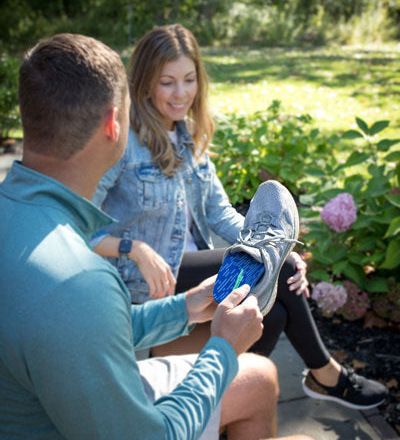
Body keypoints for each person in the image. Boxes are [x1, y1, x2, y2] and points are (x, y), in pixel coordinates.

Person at [0, 33, 342, 440]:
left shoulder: (20, 216)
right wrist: (220, 350)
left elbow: (86, 332)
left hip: (56, 413)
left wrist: (185, 309)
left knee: (260, 375)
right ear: (114, 124)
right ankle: (326, 377)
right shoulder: (78, 279)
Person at [92, 23, 388, 411]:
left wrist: (279, 250)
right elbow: (79, 229)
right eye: (167, 82)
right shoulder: (123, 144)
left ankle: (228, 408)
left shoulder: (189, 137)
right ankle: (326, 374)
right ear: (145, 83)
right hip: (145, 285)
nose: (180, 93)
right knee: (273, 272)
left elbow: (222, 215)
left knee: (277, 311)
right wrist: (135, 249)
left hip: (192, 276)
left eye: (188, 79)